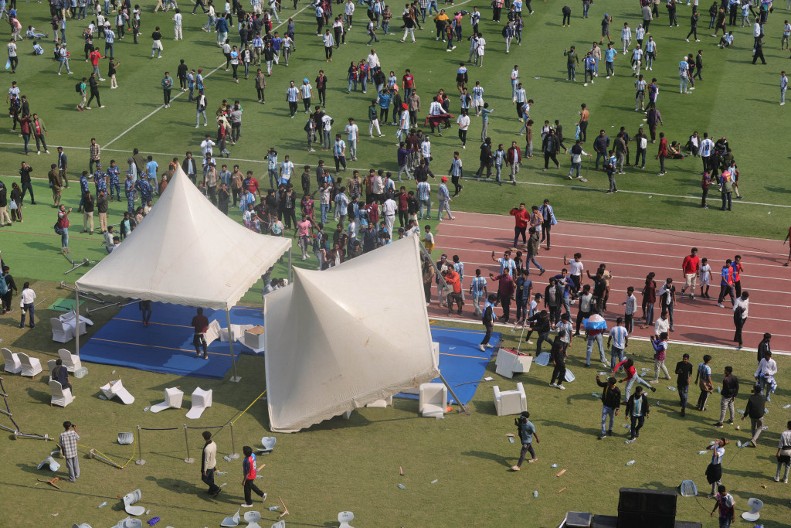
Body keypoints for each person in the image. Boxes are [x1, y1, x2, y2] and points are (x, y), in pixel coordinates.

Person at [595, 375, 621, 439]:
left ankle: (610, 430)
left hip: (612, 408)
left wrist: (617, 409)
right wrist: (598, 379)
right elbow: (600, 384)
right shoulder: (606, 385)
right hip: (605, 406)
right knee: (603, 419)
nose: (607, 382)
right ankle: (603, 433)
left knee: (611, 419)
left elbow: (618, 400)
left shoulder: (617, 390)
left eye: (609, 382)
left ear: (612, 384)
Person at [201, 431, 222, 496]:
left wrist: (204, 470)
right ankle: (211, 491)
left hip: (208, 466)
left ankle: (216, 488)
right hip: (213, 463)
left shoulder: (207, 448)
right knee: (211, 478)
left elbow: (206, 460)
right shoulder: (213, 443)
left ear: (204, 438)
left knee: (204, 479)